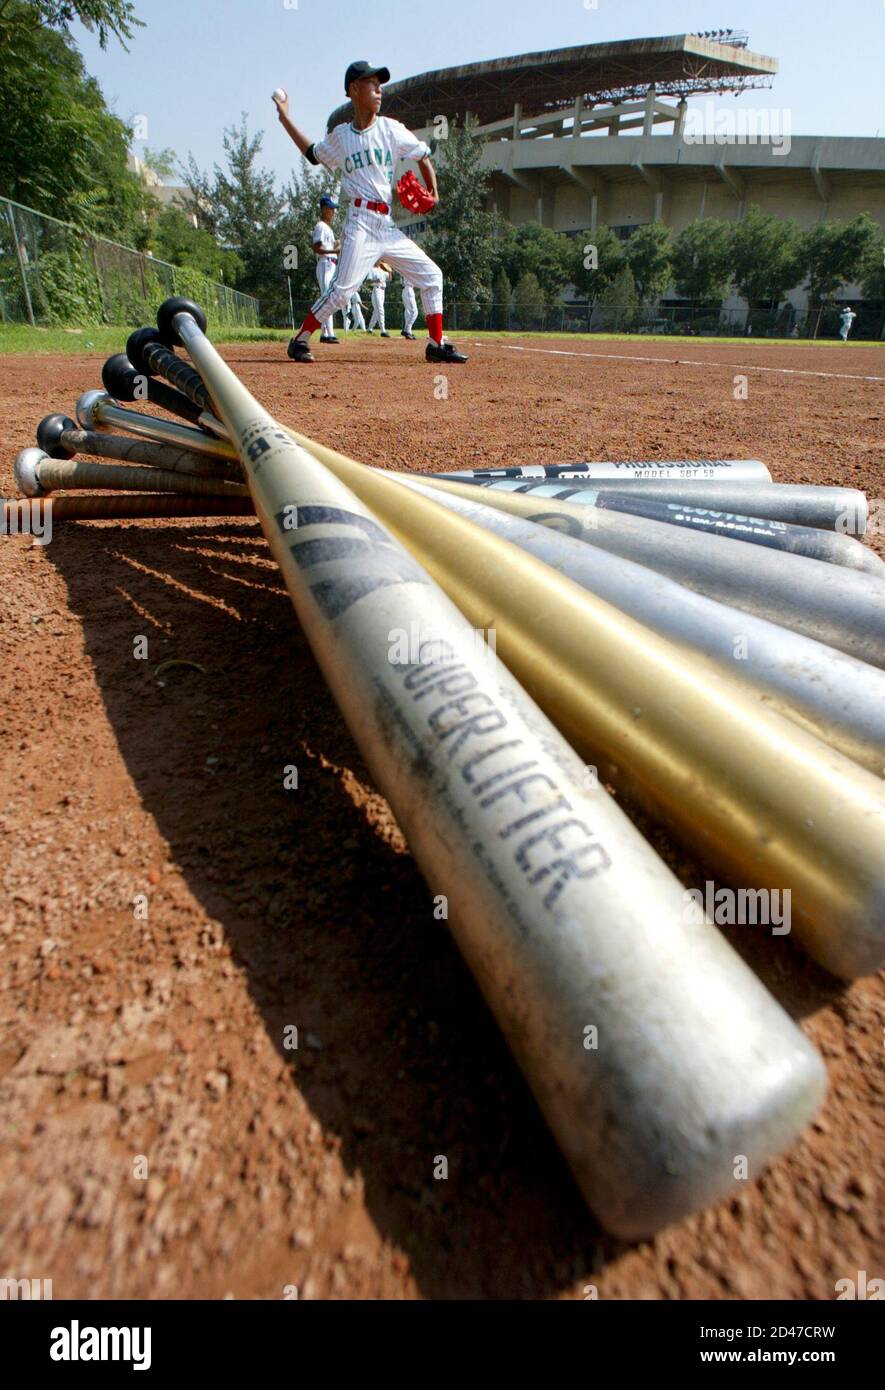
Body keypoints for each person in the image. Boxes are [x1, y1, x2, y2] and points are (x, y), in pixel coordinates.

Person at [273, 61, 467, 365]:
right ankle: (299, 339)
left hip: (386, 226)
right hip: (360, 223)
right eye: (372, 84)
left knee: (432, 276)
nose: (379, 90)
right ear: (354, 89)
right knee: (341, 292)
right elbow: (312, 154)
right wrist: (285, 117)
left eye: (380, 85)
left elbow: (423, 154)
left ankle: (436, 344)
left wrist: (433, 191)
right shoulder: (341, 136)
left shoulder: (391, 129)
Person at [311, 194, 341, 344]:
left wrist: (338, 244)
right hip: (325, 263)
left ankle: (326, 333)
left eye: (333, 209)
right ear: (323, 209)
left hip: (331, 264)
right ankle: (328, 333)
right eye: (330, 208)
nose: (333, 212)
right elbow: (317, 248)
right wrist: (334, 251)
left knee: (329, 297)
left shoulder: (328, 228)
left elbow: (329, 245)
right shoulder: (321, 226)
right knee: (327, 298)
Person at [366, 260, 391, 336]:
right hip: (376, 289)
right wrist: (374, 280)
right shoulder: (371, 269)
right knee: (380, 309)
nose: (379, 261)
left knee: (376, 311)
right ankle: (383, 330)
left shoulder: (383, 270)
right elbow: (367, 282)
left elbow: (389, 279)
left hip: (383, 291)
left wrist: (390, 270)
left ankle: (370, 329)